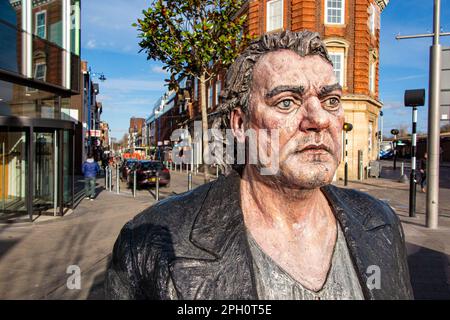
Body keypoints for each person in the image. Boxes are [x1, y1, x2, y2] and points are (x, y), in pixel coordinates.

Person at [105, 31, 413, 300]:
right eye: (286, 102)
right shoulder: (150, 245)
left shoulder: (381, 221)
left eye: (330, 100)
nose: (319, 119)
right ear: (241, 124)